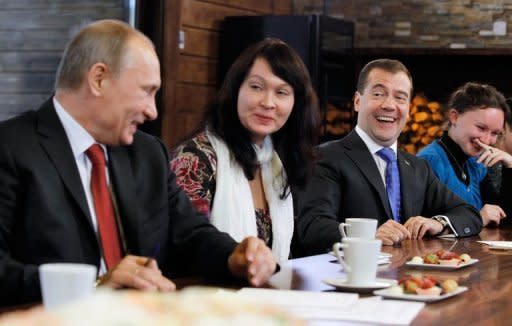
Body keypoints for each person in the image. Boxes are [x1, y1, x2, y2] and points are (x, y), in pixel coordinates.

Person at [0, 19, 277, 307]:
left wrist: (235, 257)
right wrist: (95, 285)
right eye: (147, 91)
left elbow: (190, 235)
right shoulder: (10, 148)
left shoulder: (147, 153)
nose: (152, 111)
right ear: (99, 79)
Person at [295, 59, 482, 256]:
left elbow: (469, 214)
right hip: (347, 279)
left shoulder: (418, 167)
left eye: (400, 98)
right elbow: (312, 227)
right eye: (378, 94)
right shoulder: (325, 157)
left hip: (407, 281)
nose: (389, 105)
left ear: (409, 109)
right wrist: (368, 236)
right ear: (358, 101)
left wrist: (438, 223)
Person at [170, 38, 320, 263]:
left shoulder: (276, 162)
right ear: (235, 89)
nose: (268, 103)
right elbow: (185, 245)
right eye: (256, 87)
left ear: (296, 104)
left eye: (282, 92)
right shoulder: (196, 158)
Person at [418, 82, 512, 226]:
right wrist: (478, 218)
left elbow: (503, 220)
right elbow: (424, 226)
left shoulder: (477, 162)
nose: (487, 140)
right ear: (454, 117)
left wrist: (510, 166)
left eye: (495, 133)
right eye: (481, 128)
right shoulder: (428, 161)